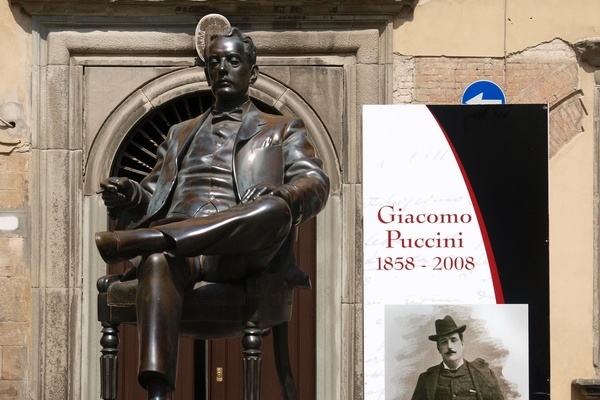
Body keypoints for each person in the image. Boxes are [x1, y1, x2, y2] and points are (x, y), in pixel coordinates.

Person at [94, 23, 329, 400]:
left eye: (233, 61)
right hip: (181, 250)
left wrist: (283, 193)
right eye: (215, 62)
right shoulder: (179, 133)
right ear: (206, 72)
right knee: (157, 262)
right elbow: (153, 195)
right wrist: (129, 194)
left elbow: (315, 184)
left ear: (252, 72)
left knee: (274, 209)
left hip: (239, 253)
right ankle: (158, 393)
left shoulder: (282, 128)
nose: (222, 68)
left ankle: (150, 240)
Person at [411, 315, 505, 400]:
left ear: (462, 344)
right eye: (444, 342)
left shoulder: (484, 374)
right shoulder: (426, 379)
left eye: (453, 340)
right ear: (439, 348)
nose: (449, 346)